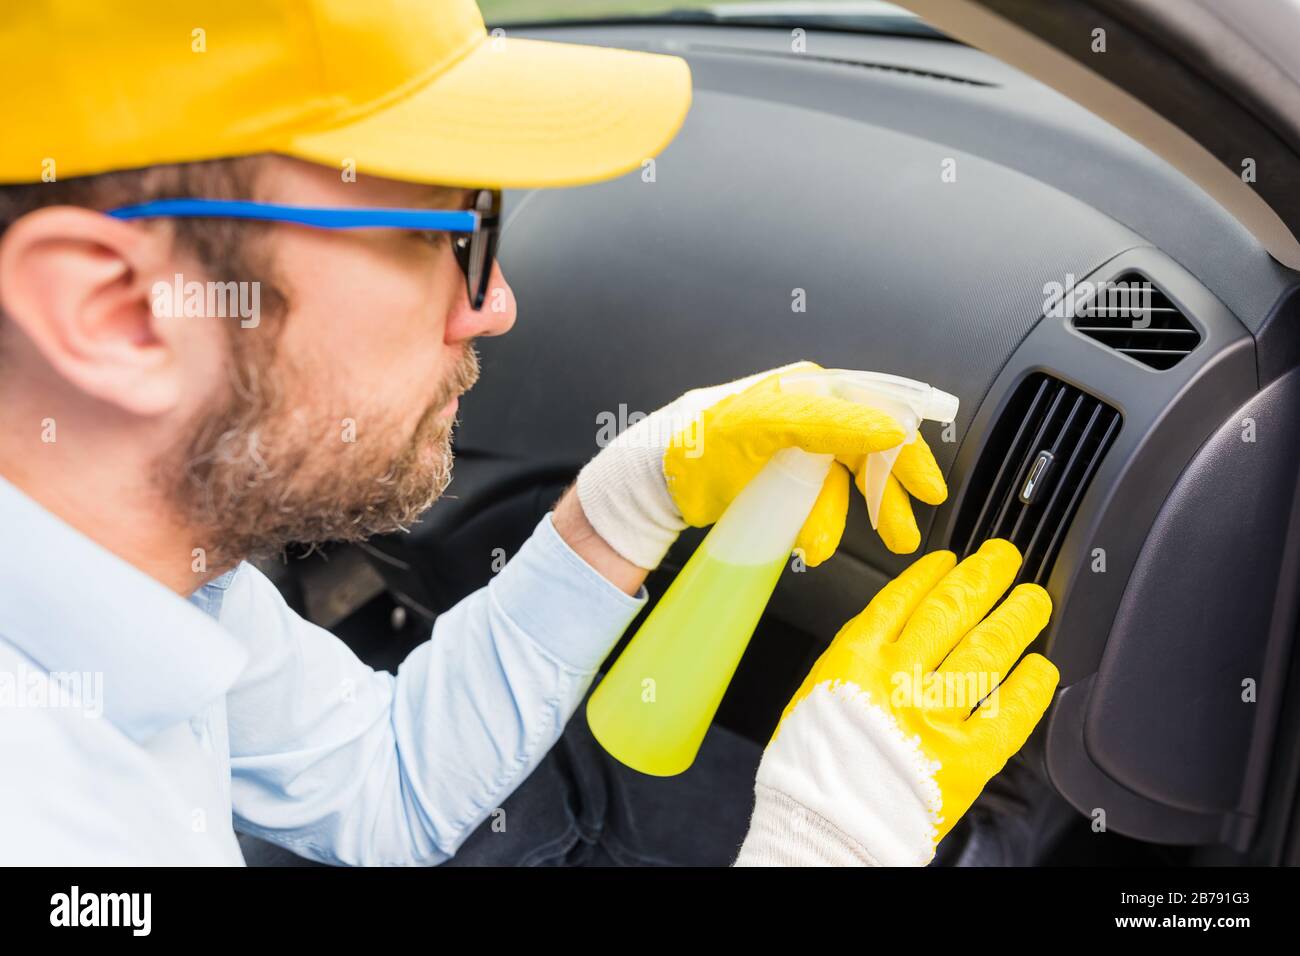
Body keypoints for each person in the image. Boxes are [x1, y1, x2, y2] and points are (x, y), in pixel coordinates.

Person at [0, 0, 1057, 866]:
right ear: (121, 313)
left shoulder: (146, 569)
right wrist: (830, 844)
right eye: (442, 231)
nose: (492, 302)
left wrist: (620, 508)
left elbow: (385, 781)